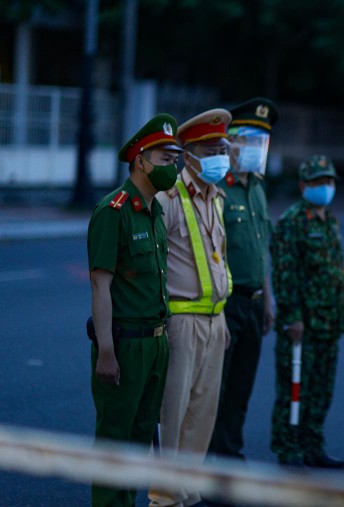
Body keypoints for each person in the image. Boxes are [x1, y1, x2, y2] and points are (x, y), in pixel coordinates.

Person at [87, 113, 182, 507]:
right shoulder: (114, 210)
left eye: (175, 159)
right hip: (124, 346)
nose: (172, 166)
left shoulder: (156, 212)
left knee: (140, 440)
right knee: (115, 443)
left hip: (156, 343)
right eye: (164, 158)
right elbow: (100, 285)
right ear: (140, 160)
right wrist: (106, 352)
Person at [147, 109, 233, 507]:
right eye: (213, 149)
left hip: (214, 322)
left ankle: (187, 492)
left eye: (223, 148)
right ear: (190, 153)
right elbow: (151, 266)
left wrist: (222, 317)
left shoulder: (216, 199)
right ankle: (164, 497)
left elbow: (218, 261)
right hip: (180, 322)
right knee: (172, 414)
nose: (221, 156)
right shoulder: (168, 201)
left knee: (202, 414)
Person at [270, 155, 344, 468]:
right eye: (318, 182)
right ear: (303, 185)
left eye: (329, 181)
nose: (325, 187)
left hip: (329, 321)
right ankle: (289, 448)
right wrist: (292, 316)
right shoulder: (293, 221)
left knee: (321, 389)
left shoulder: (330, 219)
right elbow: (284, 273)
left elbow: (339, 269)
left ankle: (313, 445)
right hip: (302, 324)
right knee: (295, 388)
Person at [209, 98, 278, 459]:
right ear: (230, 141)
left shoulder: (257, 188)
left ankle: (230, 457)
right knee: (215, 389)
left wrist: (267, 300)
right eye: (247, 139)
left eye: (261, 141)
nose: (254, 148)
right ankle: (208, 464)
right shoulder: (220, 186)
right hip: (226, 302)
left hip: (252, 304)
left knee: (241, 388)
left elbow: (259, 249)